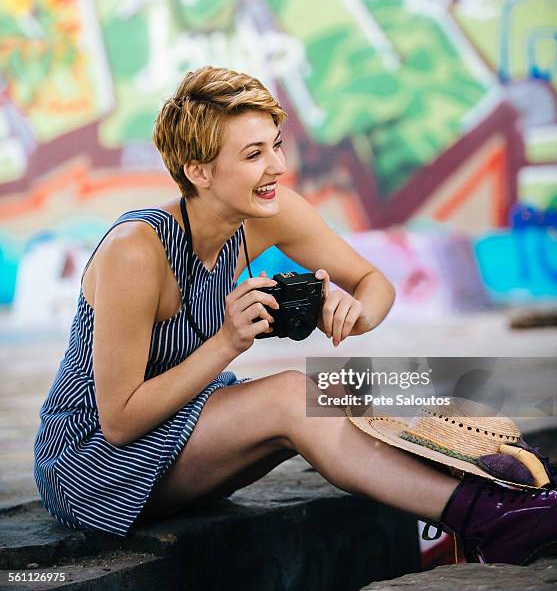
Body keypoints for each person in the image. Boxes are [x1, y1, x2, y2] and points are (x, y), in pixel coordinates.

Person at [34, 66, 557, 566]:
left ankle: (517, 491)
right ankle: (494, 522)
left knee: (354, 385)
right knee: (291, 395)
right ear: (199, 171)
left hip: (183, 426)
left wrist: (353, 313)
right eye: (254, 154)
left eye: (276, 146)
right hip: (90, 464)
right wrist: (226, 343)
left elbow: (376, 285)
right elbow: (120, 420)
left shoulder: (268, 211)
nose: (277, 167)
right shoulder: (136, 251)